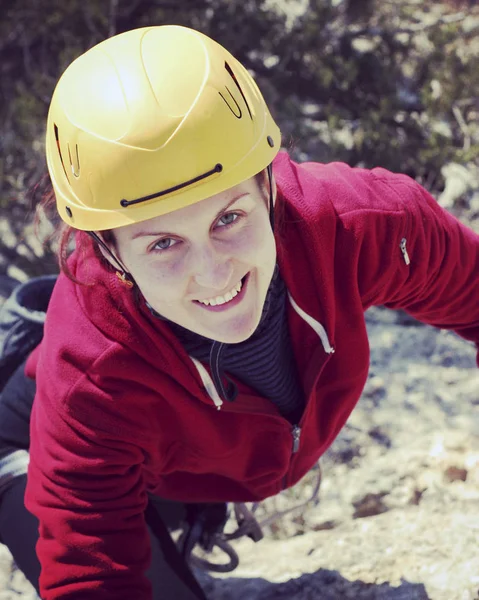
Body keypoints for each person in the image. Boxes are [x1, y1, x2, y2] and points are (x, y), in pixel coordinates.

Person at [0, 23, 477, 600]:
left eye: (229, 218)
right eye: (162, 244)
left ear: (269, 190)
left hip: (188, 461)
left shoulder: (363, 228)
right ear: (109, 251)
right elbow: (91, 573)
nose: (215, 272)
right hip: (40, 448)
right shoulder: (92, 370)